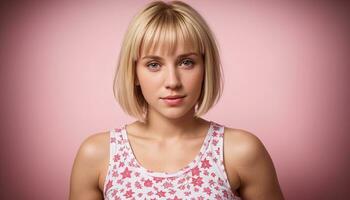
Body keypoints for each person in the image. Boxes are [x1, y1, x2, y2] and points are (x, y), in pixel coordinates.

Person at [69, 1, 284, 199]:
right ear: (133, 72)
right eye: (154, 64)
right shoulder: (98, 155)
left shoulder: (240, 151)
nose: (172, 81)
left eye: (186, 62)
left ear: (205, 67)